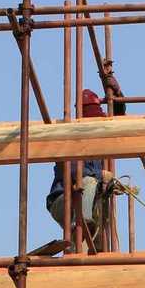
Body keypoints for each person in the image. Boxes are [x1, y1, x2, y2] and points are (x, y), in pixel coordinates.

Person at [46, 89, 109, 243]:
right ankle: (82, 223)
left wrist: (118, 97)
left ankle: (91, 248)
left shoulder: (98, 147)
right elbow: (75, 171)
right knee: (88, 180)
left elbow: (120, 121)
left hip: (82, 203)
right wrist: (102, 175)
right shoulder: (71, 141)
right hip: (62, 201)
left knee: (101, 207)